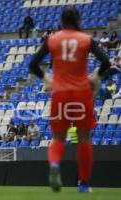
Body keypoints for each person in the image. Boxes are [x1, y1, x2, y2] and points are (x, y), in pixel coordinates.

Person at [29, 6, 110, 193]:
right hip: (82, 93)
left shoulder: (52, 39)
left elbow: (33, 64)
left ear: (62, 21)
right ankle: (84, 184)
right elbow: (106, 61)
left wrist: (46, 79)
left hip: (60, 93)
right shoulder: (86, 40)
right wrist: (94, 77)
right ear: (78, 20)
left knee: (58, 138)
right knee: (84, 139)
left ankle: (55, 165)